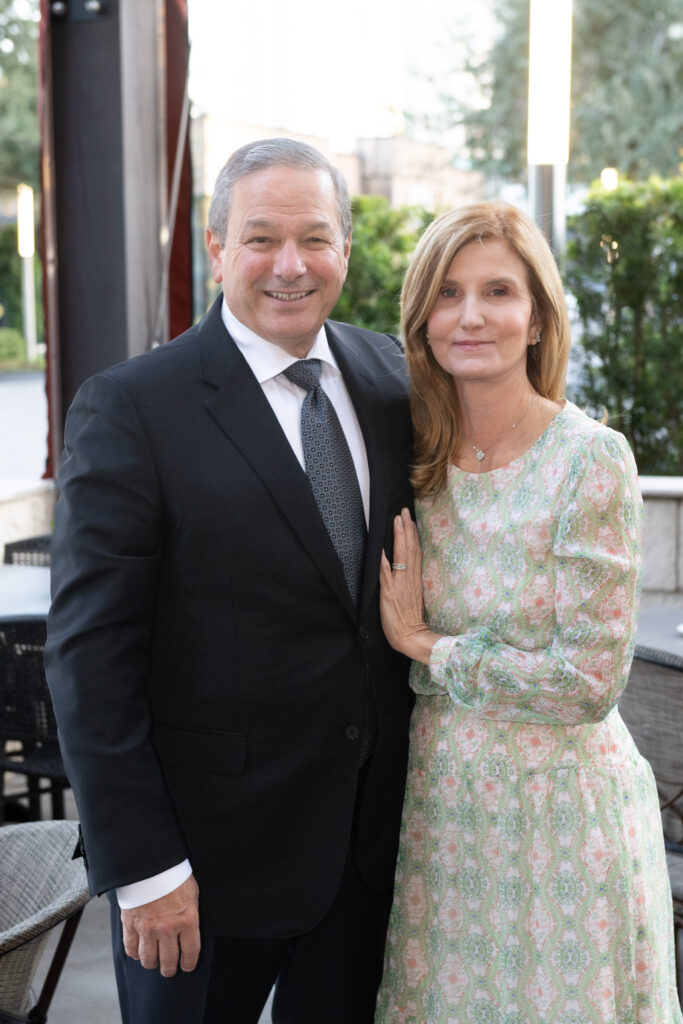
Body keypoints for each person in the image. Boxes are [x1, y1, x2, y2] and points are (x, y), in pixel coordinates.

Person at [45, 138, 414, 1024]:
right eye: (260, 238)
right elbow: (90, 662)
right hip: (199, 880)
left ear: (345, 252)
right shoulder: (132, 408)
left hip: (366, 862)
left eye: (315, 238)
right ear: (216, 249)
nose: (290, 265)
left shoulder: (393, 378)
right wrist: (145, 869)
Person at [374, 201, 682, 1023]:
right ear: (421, 319)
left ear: (538, 318)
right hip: (441, 818)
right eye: (446, 293)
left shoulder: (589, 459)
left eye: (498, 292)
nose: (470, 315)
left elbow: (587, 683)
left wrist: (428, 647)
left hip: (562, 824)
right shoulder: (414, 457)